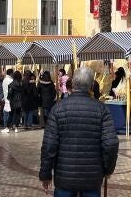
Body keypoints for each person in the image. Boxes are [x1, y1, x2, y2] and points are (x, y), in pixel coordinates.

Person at [39, 67, 119, 197]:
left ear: (73, 83)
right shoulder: (101, 109)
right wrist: (108, 169)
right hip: (92, 176)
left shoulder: (58, 109)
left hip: (64, 176)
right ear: (91, 85)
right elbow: (111, 144)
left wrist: (45, 174)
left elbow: (49, 145)